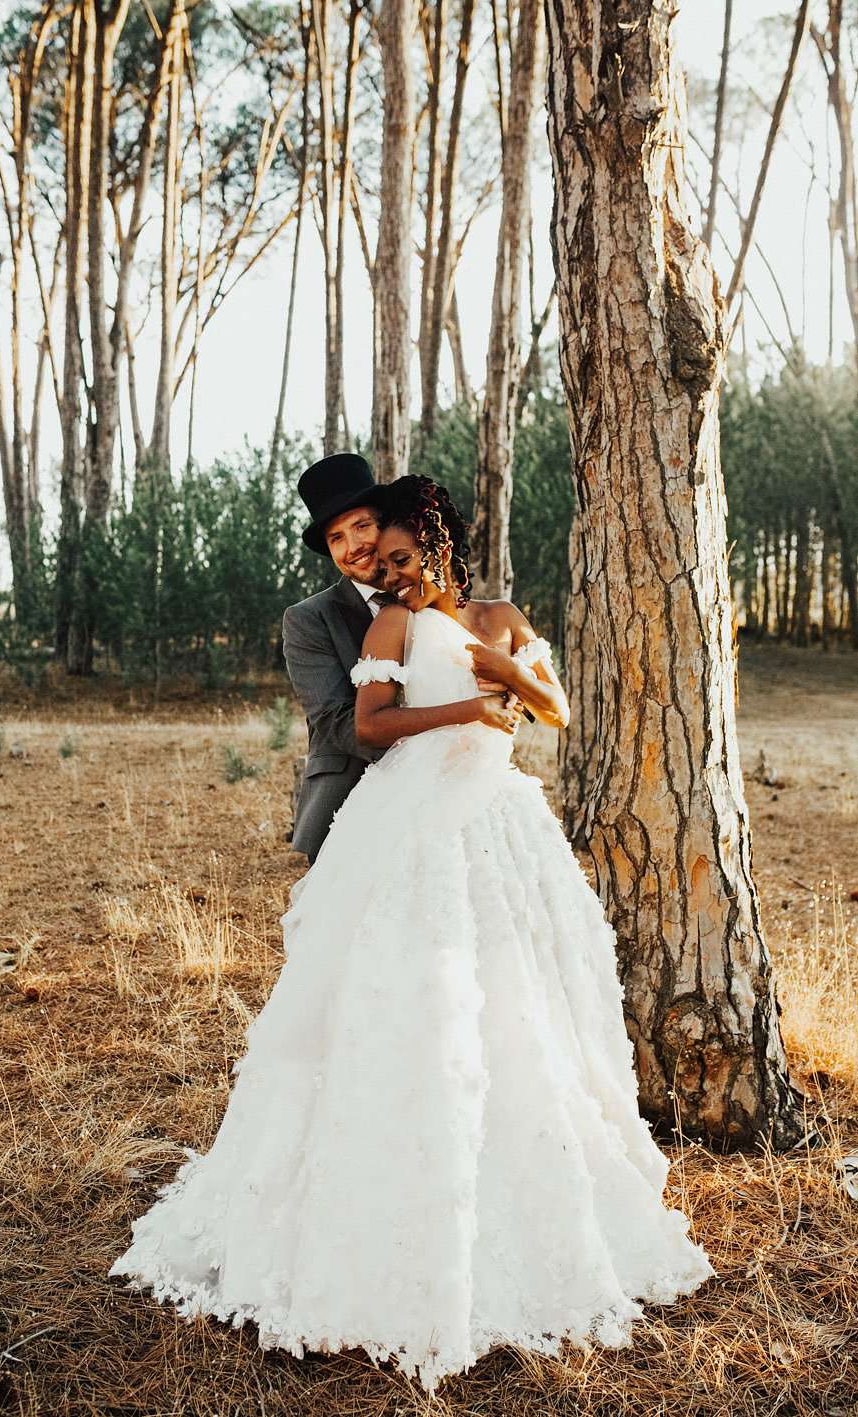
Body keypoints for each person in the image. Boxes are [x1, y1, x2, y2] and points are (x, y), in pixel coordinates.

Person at [108, 475, 716, 1392]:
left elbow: (546, 705)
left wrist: (498, 670)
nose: (375, 561)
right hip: (387, 814)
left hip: (493, 817)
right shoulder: (341, 621)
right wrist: (467, 705)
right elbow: (353, 726)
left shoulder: (493, 614)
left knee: (508, 992)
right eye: (352, 543)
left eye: (385, 543)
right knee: (382, 991)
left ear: (429, 542)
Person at [280, 452, 392, 864]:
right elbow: (335, 719)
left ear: (386, 525)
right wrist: (430, 750)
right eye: (336, 538)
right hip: (349, 792)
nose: (353, 547)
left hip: (450, 782)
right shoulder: (308, 618)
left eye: (362, 526)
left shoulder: (432, 601)